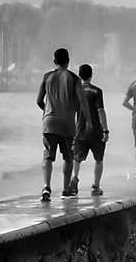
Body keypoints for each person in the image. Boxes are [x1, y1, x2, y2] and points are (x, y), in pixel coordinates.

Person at [36, 48, 91, 201]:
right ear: (68, 61)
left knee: (48, 156)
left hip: (49, 122)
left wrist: (47, 110)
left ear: (54, 61)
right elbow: (82, 102)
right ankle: (65, 189)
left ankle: (46, 187)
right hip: (67, 124)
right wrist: (88, 121)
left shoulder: (47, 77)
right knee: (68, 157)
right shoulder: (74, 79)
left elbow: (39, 101)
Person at [70, 64, 110, 196]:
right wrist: (105, 130)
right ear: (91, 75)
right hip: (96, 131)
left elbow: (71, 111)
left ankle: (75, 178)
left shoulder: (75, 91)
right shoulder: (97, 91)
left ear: (79, 75)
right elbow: (101, 111)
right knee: (99, 159)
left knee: (76, 158)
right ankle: (95, 187)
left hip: (80, 130)